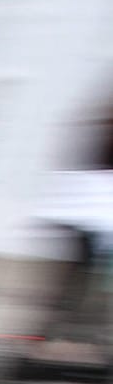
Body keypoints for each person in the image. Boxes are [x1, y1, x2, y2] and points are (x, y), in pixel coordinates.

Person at [26, 104, 113, 365]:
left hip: (89, 208)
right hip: (93, 209)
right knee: (86, 282)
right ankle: (62, 341)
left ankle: (61, 339)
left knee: (84, 282)